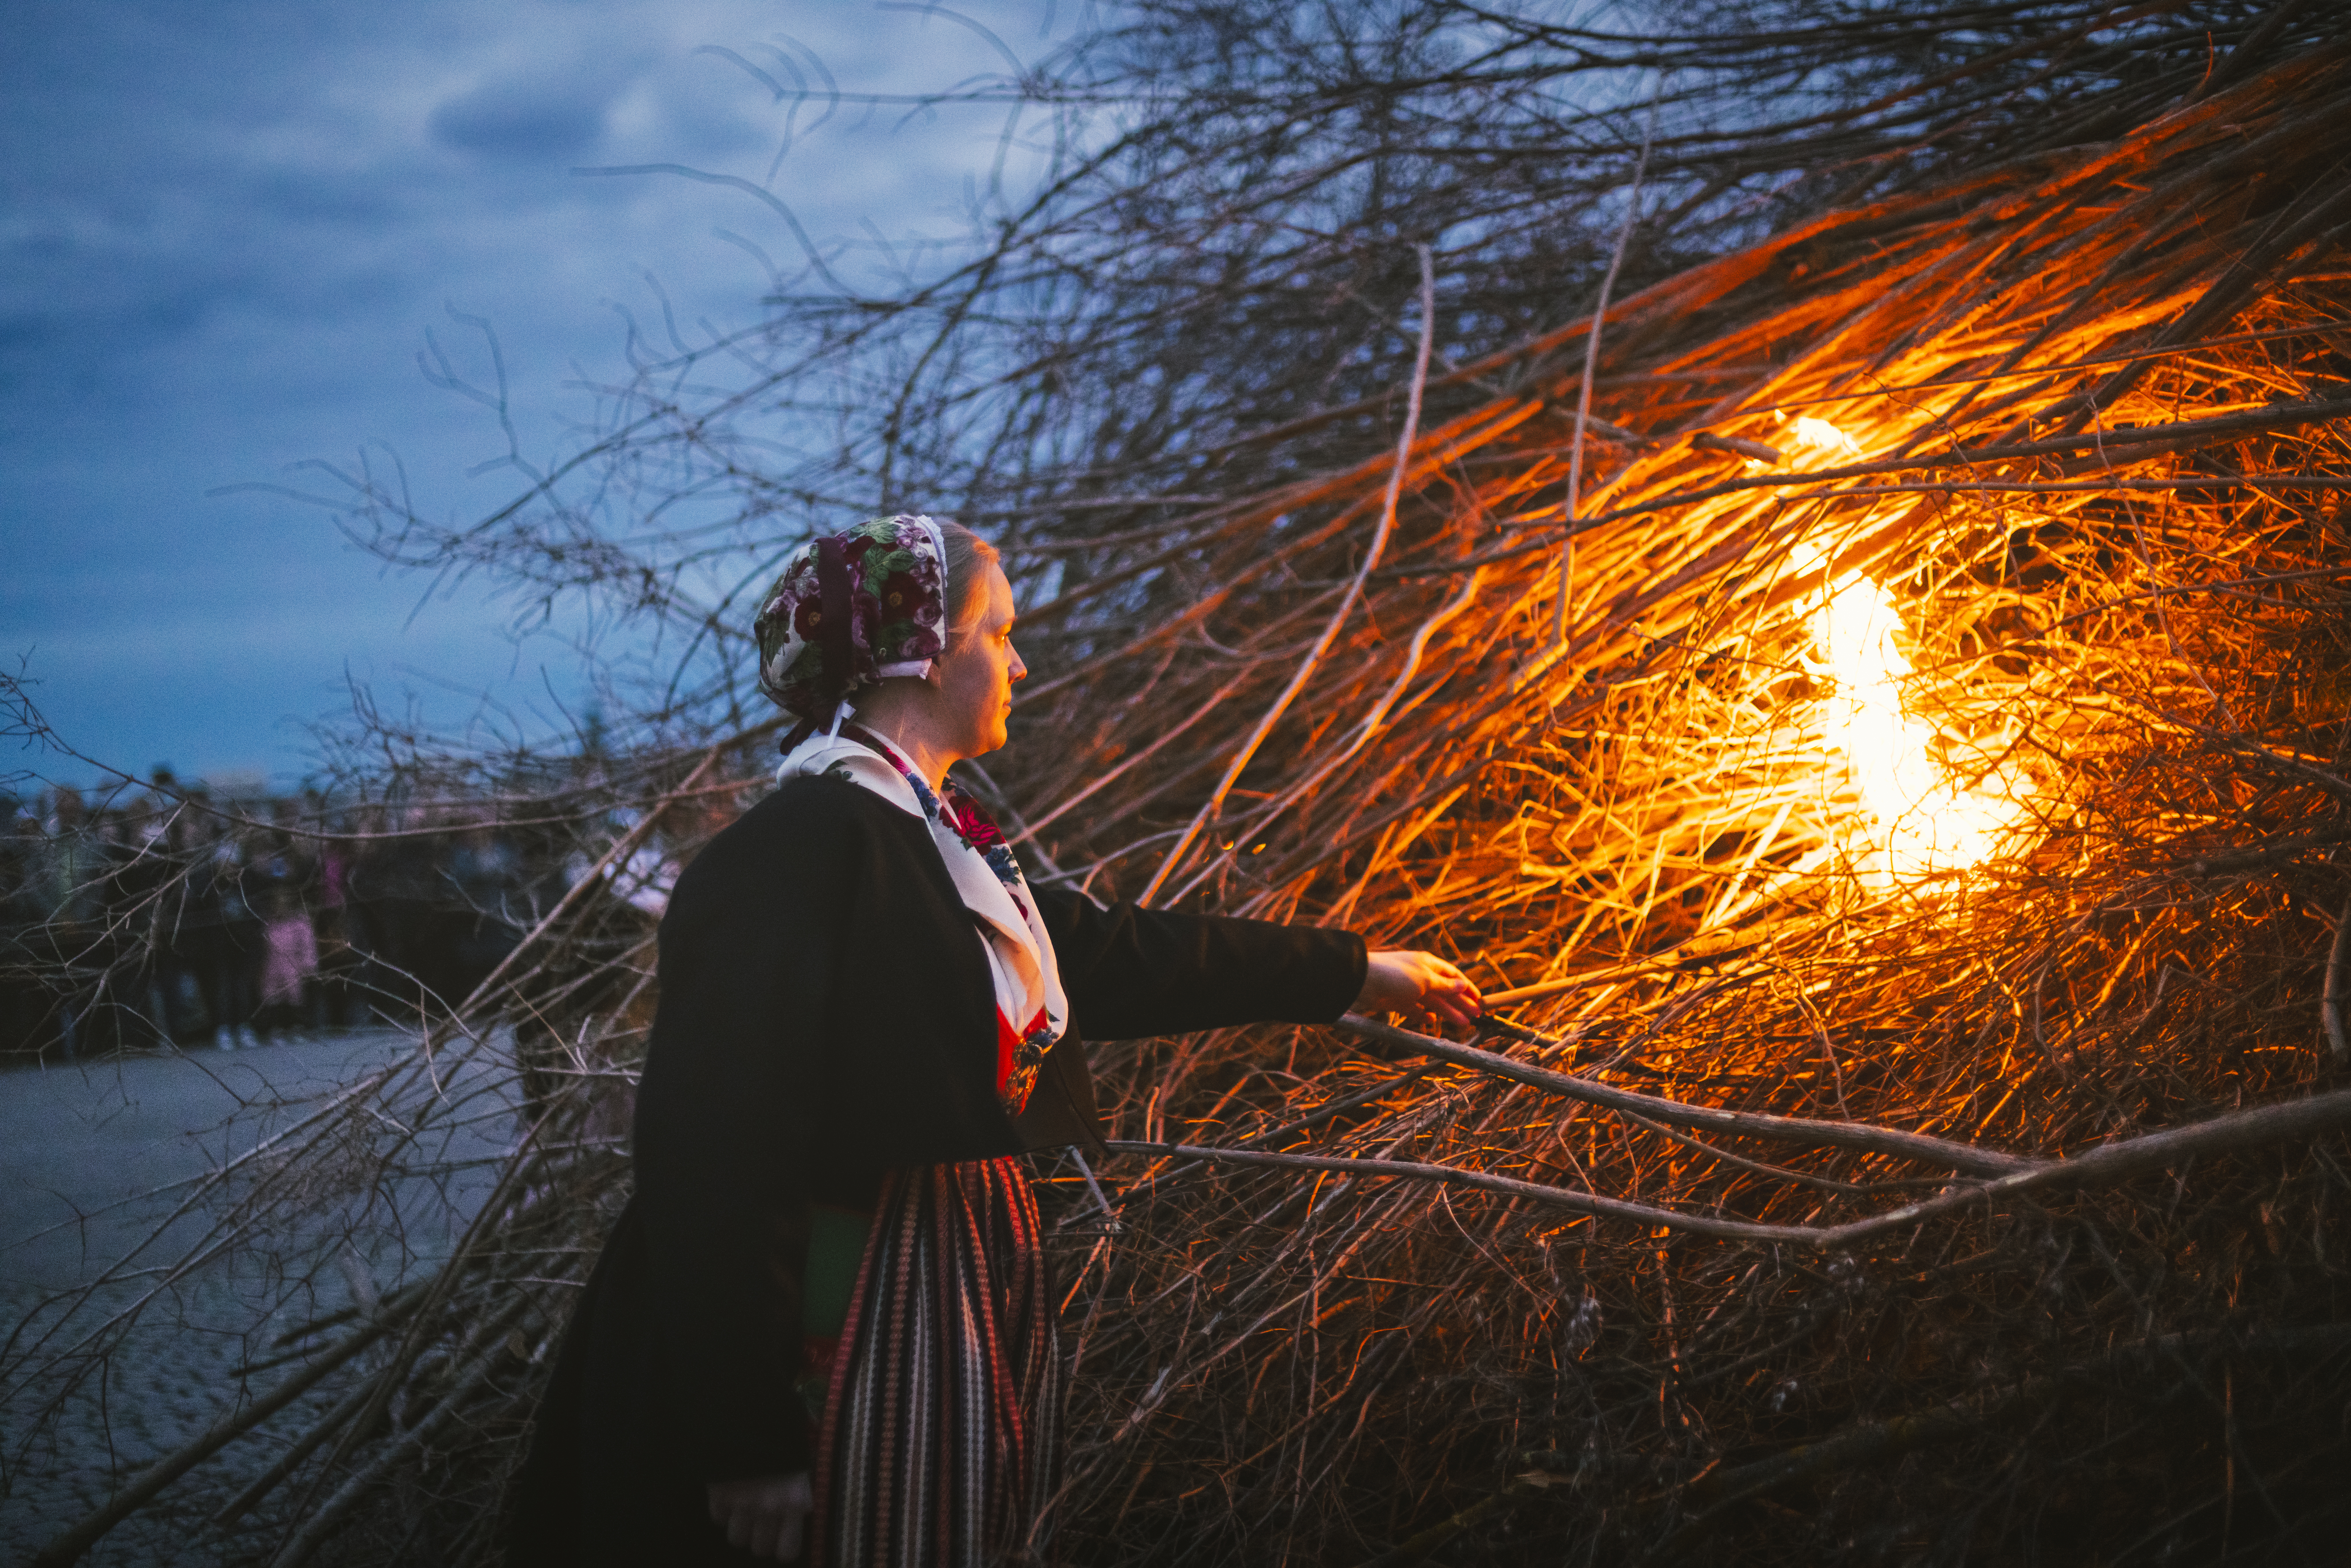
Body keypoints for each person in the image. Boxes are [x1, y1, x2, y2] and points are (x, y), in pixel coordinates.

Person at [508, 515, 1480, 1566]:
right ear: (921, 653)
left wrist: (1356, 972)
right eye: (1000, 633)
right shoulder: (791, 854)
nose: (1019, 660)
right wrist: (746, 1438)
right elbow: (713, 1149)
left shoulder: (936, 847)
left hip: (936, 1283)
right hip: (836, 1309)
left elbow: (1120, 956)